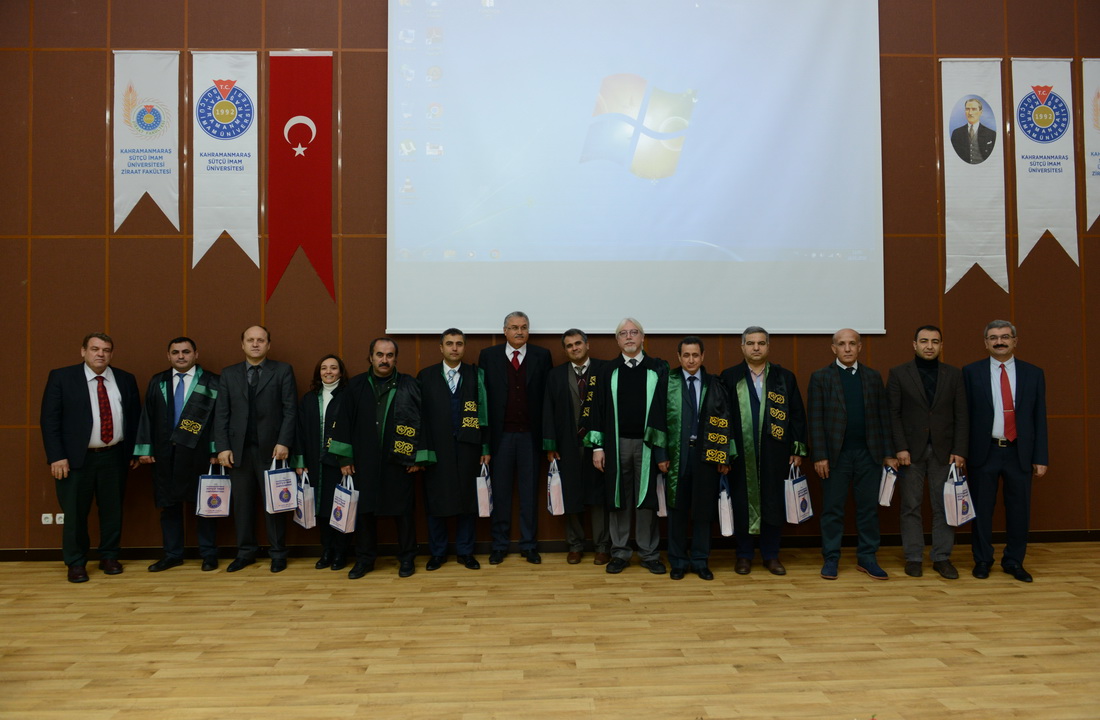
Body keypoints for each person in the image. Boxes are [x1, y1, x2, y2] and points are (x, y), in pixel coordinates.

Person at [40, 332, 141, 583]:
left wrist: (134, 452)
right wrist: (57, 457)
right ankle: (76, 562)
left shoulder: (125, 379)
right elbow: (49, 421)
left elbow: (134, 418)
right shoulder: (62, 378)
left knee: (112, 510)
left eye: (106, 350)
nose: (100, 354)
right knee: (75, 513)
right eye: (95, 349)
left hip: (114, 456)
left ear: (111, 354)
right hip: (75, 460)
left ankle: (109, 556)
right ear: (83, 351)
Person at [961, 320, 1048, 583]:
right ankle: (982, 560)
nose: (999, 341)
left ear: (1015, 341)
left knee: (1019, 511)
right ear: (985, 343)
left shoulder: (1033, 373)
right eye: (993, 337)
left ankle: (1014, 561)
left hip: (1019, 452)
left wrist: (1040, 457)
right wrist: (961, 452)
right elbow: (963, 417)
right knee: (981, 510)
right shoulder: (970, 372)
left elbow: (1039, 418)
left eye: (1005, 337)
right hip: (984, 452)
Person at [808, 328, 897, 580]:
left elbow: (883, 416)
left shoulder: (872, 376)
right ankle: (831, 558)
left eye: (852, 344)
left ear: (860, 347)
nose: (847, 348)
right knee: (832, 509)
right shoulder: (821, 377)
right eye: (841, 344)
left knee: (868, 509)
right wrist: (820, 455)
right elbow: (815, 419)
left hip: (869, 454)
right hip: (835, 457)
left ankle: (867, 557)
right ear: (833, 348)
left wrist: (888, 453)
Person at [329, 338, 422, 579]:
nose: (384, 360)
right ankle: (365, 559)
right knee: (365, 512)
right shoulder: (356, 386)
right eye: (380, 355)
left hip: (399, 459)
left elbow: (422, 421)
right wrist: (344, 458)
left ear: (395, 358)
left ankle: (407, 557)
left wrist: (417, 458)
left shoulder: (409, 384)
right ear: (370, 357)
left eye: (389, 355)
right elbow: (343, 422)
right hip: (364, 460)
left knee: (403, 511)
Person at [720, 326, 807, 576]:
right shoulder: (730, 377)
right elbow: (721, 417)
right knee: (742, 502)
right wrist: (724, 453)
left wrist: (797, 449)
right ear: (742, 347)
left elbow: (797, 415)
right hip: (740, 454)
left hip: (776, 453)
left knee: (773, 502)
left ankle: (771, 555)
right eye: (750, 343)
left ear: (768, 346)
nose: (756, 347)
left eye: (761, 343)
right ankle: (744, 555)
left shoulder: (783, 377)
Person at [587, 318, 669, 575]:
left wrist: (662, 449)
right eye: (624, 333)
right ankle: (620, 552)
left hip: (648, 444)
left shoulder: (658, 368)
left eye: (634, 332)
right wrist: (597, 447)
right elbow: (597, 409)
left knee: (646, 499)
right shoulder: (607, 370)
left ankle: (649, 553)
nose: (629, 337)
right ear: (617, 340)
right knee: (618, 498)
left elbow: (666, 410)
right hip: (616, 444)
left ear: (643, 337)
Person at [886, 325, 969, 580]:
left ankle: (942, 557)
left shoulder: (954, 375)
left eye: (934, 341)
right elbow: (893, 414)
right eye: (924, 341)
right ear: (915, 345)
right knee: (910, 505)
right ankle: (913, 557)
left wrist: (959, 449)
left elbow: (962, 415)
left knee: (944, 506)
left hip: (945, 451)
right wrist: (899, 447)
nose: (929, 346)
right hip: (910, 452)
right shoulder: (899, 373)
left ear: (941, 345)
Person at [213, 325, 297, 573]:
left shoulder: (282, 371)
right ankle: (245, 553)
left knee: (275, 504)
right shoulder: (229, 374)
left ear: (268, 345)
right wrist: (222, 447)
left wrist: (284, 441)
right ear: (242, 345)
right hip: (238, 452)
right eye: (250, 340)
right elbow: (221, 413)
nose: (255, 344)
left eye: (261, 340)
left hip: (272, 451)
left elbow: (290, 409)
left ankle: (278, 553)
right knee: (242, 505)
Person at [133, 336, 221, 572]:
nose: (181, 356)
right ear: (168, 356)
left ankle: (208, 554)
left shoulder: (212, 381)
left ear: (196, 354)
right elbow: (147, 416)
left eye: (186, 352)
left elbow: (219, 420)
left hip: (200, 452)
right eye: (175, 352)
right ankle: (172, 554)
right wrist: (145, 449)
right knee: (169, 505)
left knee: (205, 506)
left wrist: (215, 450)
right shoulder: (158, 380)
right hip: (165, 452)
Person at [477, 311, 552, 565]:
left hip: (531, 436)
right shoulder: (488, 356)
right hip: (501, 438)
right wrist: (485, 442)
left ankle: (529, 545)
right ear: (505, 331)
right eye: (514, 327)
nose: (519, 332)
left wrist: (548, 439)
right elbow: (483, 400)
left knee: (529, 494)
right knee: (500, 493)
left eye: (524, 327)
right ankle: (499, 545)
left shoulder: (542, 356)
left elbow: (548, 399)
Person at [656, 337, 732, 581]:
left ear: (703, 356)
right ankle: (678, 561)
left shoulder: (714, 383)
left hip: (706, 455)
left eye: (695, 355)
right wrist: (661, 454)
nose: (691, 360)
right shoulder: (668, 382)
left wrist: (723, 456)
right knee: (677, 510)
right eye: (686, 355)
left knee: (703, 510)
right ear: (679, 357)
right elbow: (657, 419)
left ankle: (700, 560)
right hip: (677, 454)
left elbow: (725, 421)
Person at [416, 329, 490, 571]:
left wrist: (485, 446)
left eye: (459, 343)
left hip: (469, 447)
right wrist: (422, 452)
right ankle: (437, 553)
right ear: (441, 347)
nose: (454, 348)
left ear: (464, 347)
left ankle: (465, 552)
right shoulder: (425, 376)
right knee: (436, 500)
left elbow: (484, 413)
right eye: (449, 343)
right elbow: (419, 418)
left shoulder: (476, 374)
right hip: (437, 449)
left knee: (468, 500)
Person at [542, 329, 610, 565]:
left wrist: (604, 443)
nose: (575, 348)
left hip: (598, 444)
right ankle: (575, 545)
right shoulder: (556, 375)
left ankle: (602, 546)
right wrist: (550, 445)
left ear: (587, 345)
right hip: (567, 444)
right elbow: (548, 410)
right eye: (569, 345)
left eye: (578, 343)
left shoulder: (603, 370)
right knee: (570, 494)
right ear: (565, 350)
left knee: (599, 496)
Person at [291, 354, 350, 572]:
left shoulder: (348, 397)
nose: (328, 372)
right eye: (324, 368)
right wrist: (300, 460)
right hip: (315, 463)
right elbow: (298, 431)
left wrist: (347, 458)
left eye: (333, 368)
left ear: (340, 372)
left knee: (340, 506)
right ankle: (327, 550)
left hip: (339, 464)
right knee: (321, 509)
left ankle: (341, 551)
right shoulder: (309, 399)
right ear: (319, 372)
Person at [950, 97, 997, 165]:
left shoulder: (991, 134)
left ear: (980, 112)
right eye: (967, 109)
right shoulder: (956, 133)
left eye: (974, 109)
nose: (970, 113)